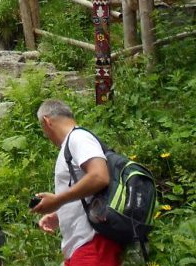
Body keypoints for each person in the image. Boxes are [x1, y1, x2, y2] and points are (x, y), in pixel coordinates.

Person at [33, 99, 121, 266]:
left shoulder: (78, 138)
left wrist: (58, 201)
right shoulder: (72, 143)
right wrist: (59, 214)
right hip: (81, 246)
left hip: (92, 243)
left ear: (46, 121)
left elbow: (99, 176)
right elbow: (87, 193)